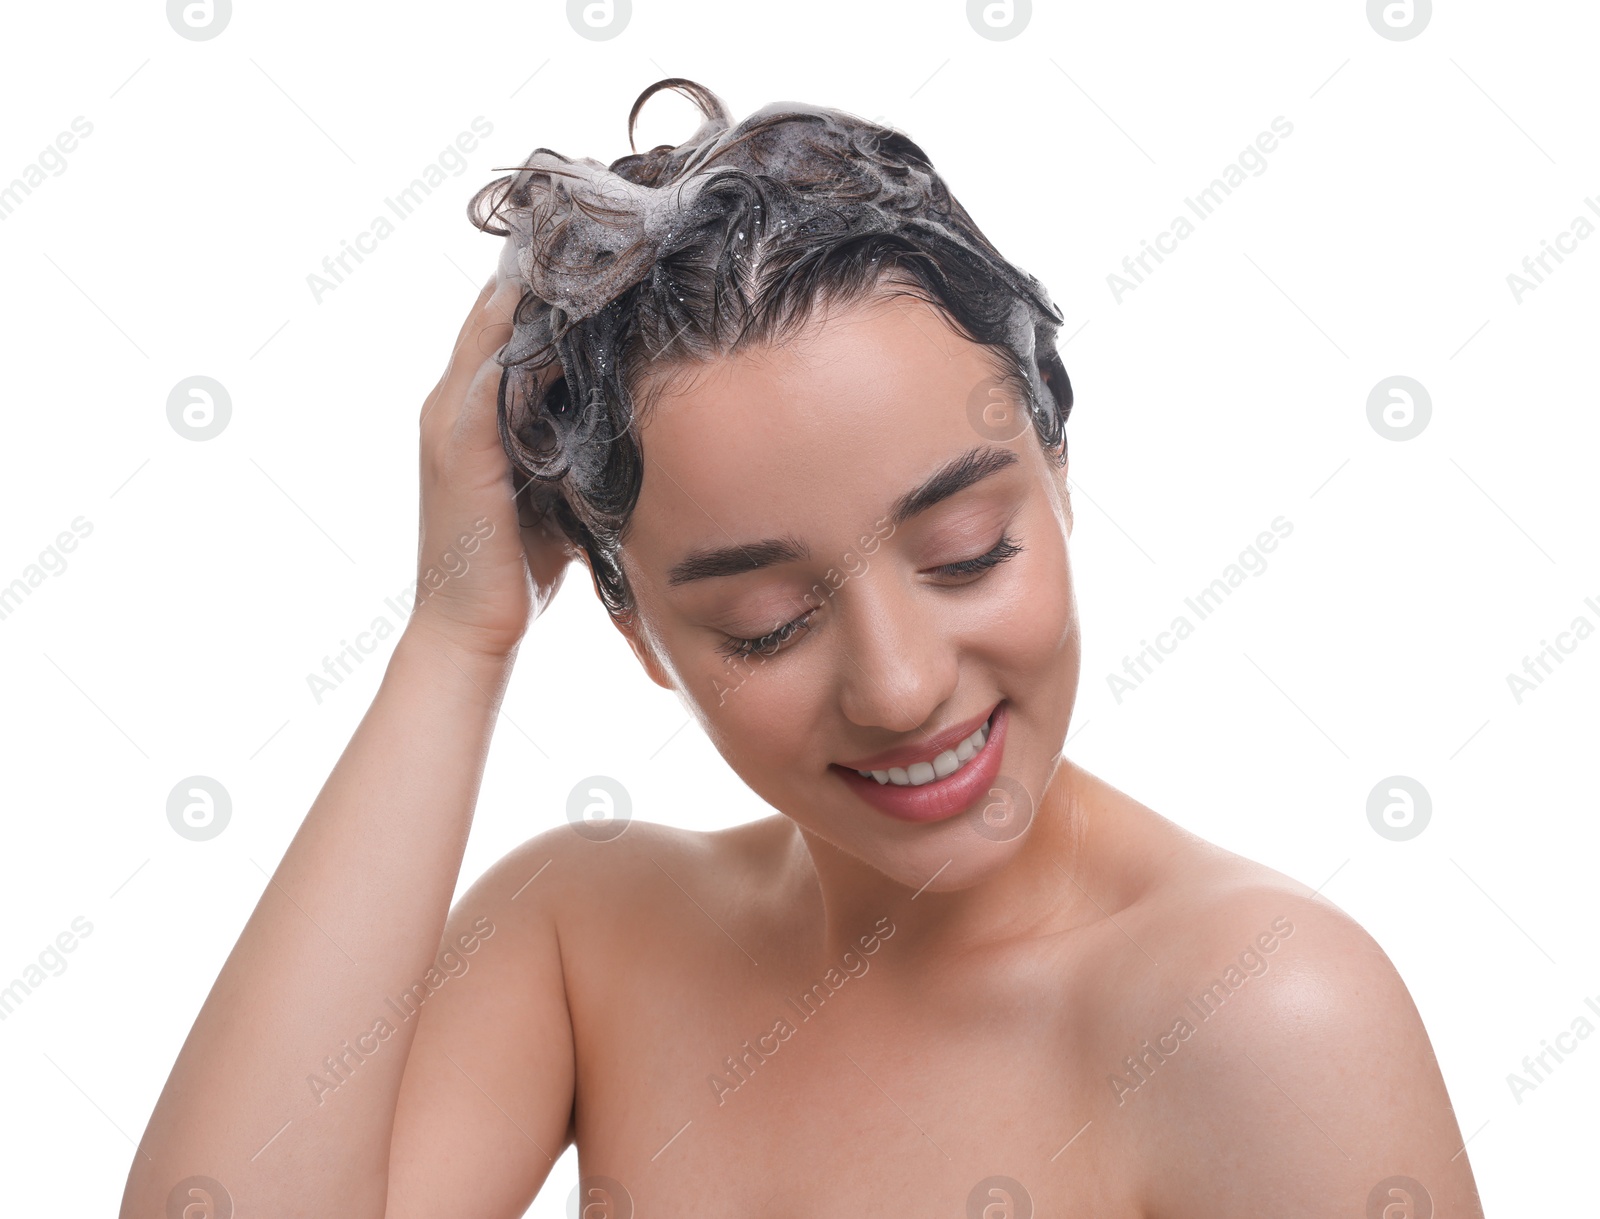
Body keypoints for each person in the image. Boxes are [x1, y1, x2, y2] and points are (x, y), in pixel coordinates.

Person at [123, 78, 1485, 1218]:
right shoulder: (588, 941)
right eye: (765, 625)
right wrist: (456, 637)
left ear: (1058, 472)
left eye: (965, 551)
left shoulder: (1266, 1015)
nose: (900, 685)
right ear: (636, 629)